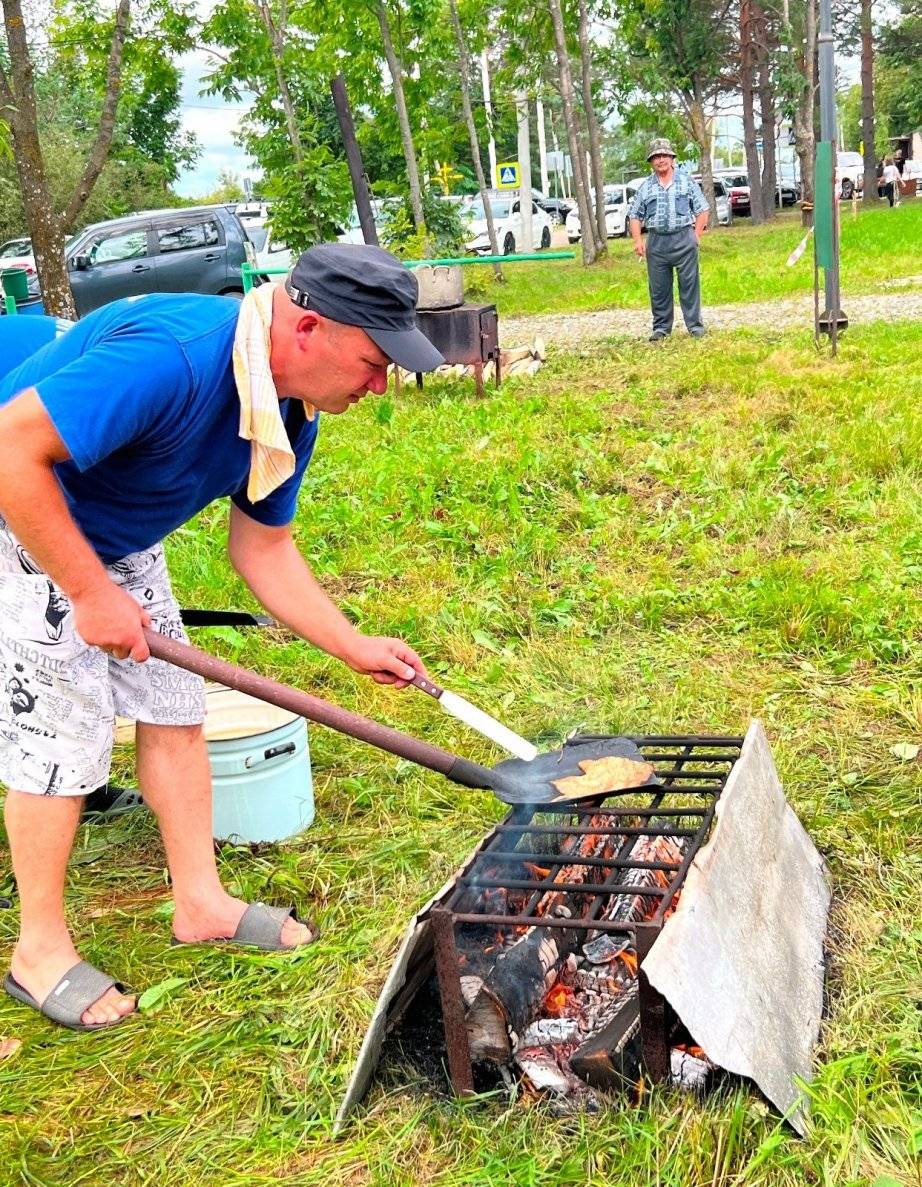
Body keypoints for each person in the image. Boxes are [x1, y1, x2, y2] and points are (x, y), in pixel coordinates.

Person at [0, 243, 444, 1031]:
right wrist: (88, 590)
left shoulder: (286, 409)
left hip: (113, 535)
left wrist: (351, 644)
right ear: (308, 328)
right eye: (375, 362)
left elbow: (262, 547)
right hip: (22, 517)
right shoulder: (174, 359)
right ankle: (38, 950)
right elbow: (9, 448)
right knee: (62, 736)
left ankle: (199, 900)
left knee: (174, 707)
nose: (379, 385)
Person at [628, 138, 710, 342]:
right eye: (656, 157)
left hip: (683, 239)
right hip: (657, 243)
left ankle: (695, 326)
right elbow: (635, 216)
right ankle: (661, 328)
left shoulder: (687, 182)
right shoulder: (645, 187)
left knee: (689, 284)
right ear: (651, 162)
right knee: (659, 288)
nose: (661, 160)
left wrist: (696, 235)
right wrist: (638, 241)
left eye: (664, 156)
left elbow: (703, 209)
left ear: (672, 159)